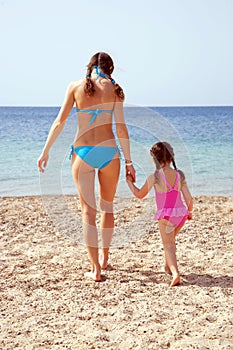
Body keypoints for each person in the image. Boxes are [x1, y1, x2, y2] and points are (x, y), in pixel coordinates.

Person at [37, 52, 136, 282]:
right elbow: (121, 129)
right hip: (110, 154)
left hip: (83, 153)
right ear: (110, 68)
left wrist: (45, 151)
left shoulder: (75, 86)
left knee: (87, 212)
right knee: (107, 207)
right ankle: (104, 259)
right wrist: (129, 162)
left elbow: (59, 121)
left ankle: (96, 270)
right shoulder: (116, 90)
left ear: (90, 66)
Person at [126, 141, 193, 287]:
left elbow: (139, 194)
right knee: (171, 241)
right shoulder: (179, 174)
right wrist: (189, 212)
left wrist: (129, 183)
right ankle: (168, 266)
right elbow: (189, 197)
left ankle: (175, 274)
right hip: (181, 214)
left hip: (166, 216)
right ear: (171, 157)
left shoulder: (155, 176)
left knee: (168, 245)